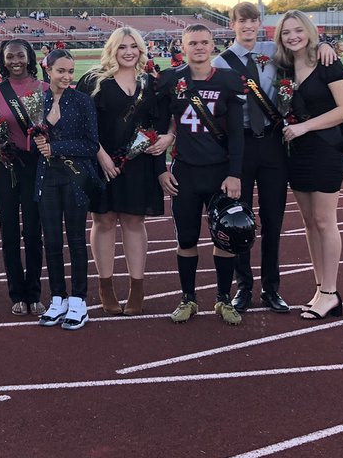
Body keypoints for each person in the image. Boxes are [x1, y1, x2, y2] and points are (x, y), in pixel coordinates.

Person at [213, 2, 337, 314]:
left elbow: (303, 45)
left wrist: (325, 45)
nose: (248, 27)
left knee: (273, 219)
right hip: (240, 144)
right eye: (242, 22)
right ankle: (244, 287)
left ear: (260, 23)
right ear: (233, 25)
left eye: (253, 21)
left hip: (272, 142)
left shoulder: (274, 48)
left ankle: (271, 288)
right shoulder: (222, 62)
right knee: (238, 220)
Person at [274, 10, 343, 321]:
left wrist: (305, 127)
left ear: (310, 31)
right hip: (296, 150)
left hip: (326, 148)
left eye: (298, 30)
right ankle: (320, 289)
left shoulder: (327, 61)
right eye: (286, 32)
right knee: (309, 222)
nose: (293, 36)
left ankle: (330, 291)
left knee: (325, 221)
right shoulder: (284, 65)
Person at [156, 24, 244, 325]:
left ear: (213, 45)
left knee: (226, 237)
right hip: (185, 172)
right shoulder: (170, 79)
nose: (199, 47)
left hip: (219, 171)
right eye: (193, 43)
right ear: (183, 46)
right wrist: (160, 170)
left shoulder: (229, 81)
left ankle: (222, 299)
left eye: (205, 42)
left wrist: (235, 173)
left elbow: (236, 134)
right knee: (187, 239)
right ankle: (188, 299)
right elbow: (158, 129)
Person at [78, 27, 169, 315]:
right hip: (102, 163)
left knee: (134, 223)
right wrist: (101, 156)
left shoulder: (150, 83)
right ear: (112, 50)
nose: (128, 52)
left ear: (141, 50)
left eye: (134, 46)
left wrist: (164, 146)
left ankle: (136, 287)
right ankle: (106, 286)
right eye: (122, 47)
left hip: (138, 165)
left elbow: (159, 125)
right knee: (103, 222)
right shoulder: (93, 81)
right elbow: (81, 124)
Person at [33, 48, 100, 331]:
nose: (66, 76)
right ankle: (58, 298)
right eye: (61, 71)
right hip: (46, 178)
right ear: (48, 70)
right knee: (51, 241)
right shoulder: (37, 101)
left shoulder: (82, 101)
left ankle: (78, 300)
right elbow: (30, 141)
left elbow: (91, 144)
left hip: (75, 178)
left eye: (70, 71)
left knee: (75, 240)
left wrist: (55, 148)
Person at [0, 38, 49, 317]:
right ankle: (16, 292)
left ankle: (34, 292)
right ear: (2, 60)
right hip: (7, 166)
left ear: (29, 58)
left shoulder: (44, 89)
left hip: (36, 165)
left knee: (34, 231)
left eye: (20, 56)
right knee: (9, 231)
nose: (15, 61)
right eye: (10, 57)